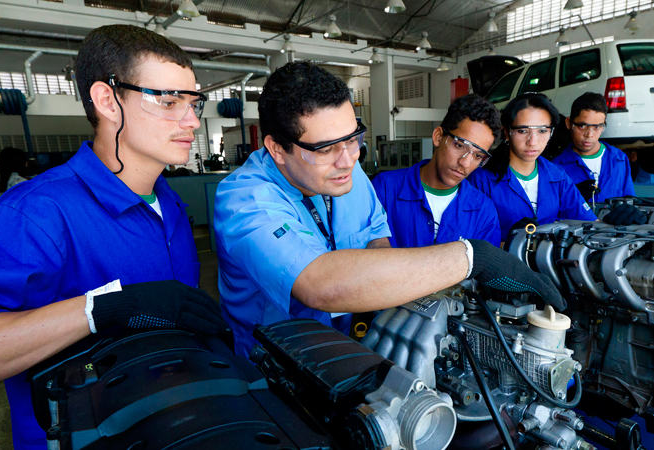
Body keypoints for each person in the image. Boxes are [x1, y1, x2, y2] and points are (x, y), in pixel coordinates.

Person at [214, 62, 566, 358]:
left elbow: (376, 243)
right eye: (326, 149)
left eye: (354, 139)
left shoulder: (350, 176)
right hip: (275, 358)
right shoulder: (245, 199)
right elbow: (318, 284)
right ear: (276, 148)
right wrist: (470, 257)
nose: (349, 159)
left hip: (348, 342)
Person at [0, 25, 226, 450]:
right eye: (169, 101)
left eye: (194, 102)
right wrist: (104, 308)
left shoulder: (168, 204)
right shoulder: (36, 213)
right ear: (107, 100)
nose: (191, 121)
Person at [372, 94, 501, 248]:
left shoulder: (483, 211)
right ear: (438, 137)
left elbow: (484, 269)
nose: (465, 163)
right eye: (459, 145)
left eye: (478, 156)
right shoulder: (385, 189)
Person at [469, 92, 596, 243]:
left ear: (551, 133)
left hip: (547, 264)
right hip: (499, 265)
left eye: (542, 131)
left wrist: (617, 222)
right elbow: (471, 246)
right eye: (523, 131)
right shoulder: (482, 179)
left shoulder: (556, 176)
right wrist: (510, 243)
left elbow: (590, 224)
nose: (533, 141)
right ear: (507, 132)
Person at [553, 92, 635, 205]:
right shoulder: (556, 167)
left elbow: (630, 200)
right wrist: (571, 199)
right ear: (568, 123)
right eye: (582, 126)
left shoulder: (619, 159)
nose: (589, 135)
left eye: (597, 127)